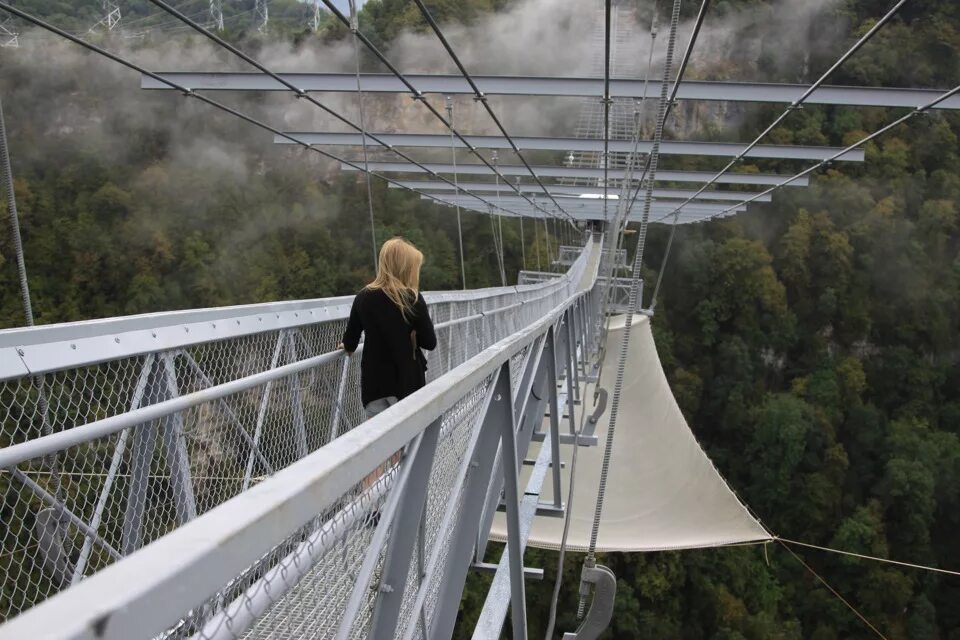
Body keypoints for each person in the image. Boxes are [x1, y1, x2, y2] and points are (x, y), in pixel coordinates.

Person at [340, 237, 437, 420]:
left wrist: (345, 345)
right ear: (407, 268)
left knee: (381, 441)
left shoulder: (363, 297)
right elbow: (430, 342)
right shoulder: (411, 298)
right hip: (407, 383)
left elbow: (350, 342)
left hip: (375, 385)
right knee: (409, 442)